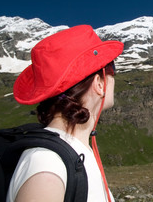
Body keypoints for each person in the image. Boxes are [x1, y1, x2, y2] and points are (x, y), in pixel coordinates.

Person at [8, 25, 124, 202]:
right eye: (111, 68)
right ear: (99, 83)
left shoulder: (67, 152)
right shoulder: (47, 166)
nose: (114, 75)